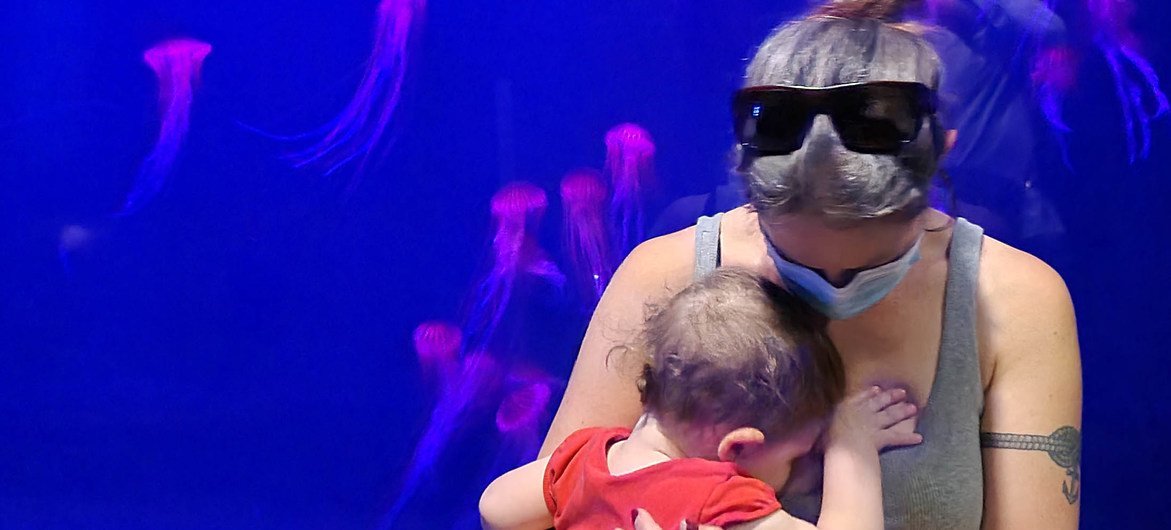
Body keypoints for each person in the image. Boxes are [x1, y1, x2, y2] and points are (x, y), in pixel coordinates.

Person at [539, 1, 1083, 528]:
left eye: (874, 266)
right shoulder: (663, 273)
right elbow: (544, 501)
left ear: (940, 158)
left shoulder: (1015, 299)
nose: (835, 296)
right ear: (748, 186)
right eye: (798, 268)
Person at [479, 269, 922, 529]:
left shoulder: (587, 459)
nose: (804, 472)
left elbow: (494, 508)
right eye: (796, 457)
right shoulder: (716, 496)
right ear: (739, 447)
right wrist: (852, 446)